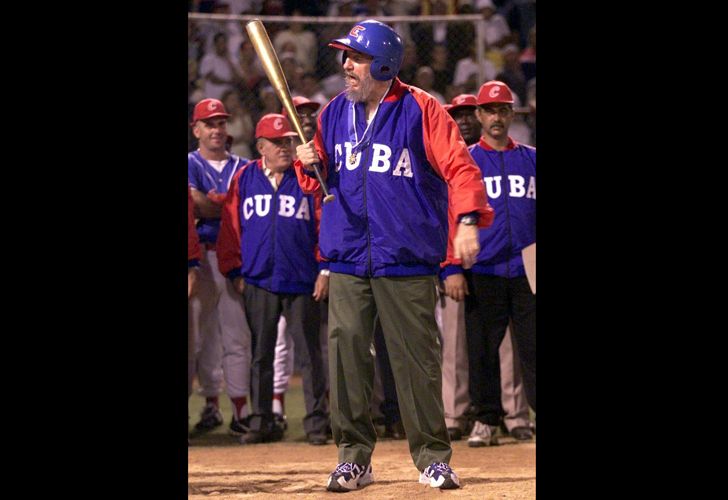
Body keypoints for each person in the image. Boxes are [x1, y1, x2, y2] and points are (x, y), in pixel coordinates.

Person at [294, 19, 493, 491]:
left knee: (417, 362)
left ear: (382, 62)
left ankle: (432, 458)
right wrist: (310, 164)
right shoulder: (332, 114)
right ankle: (354, 459)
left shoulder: (422, 109)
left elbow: (461, 169)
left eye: (356, 57)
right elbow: (321, 183)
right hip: (347, 257)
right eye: (345, 56)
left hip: (403, 257)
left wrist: (466, 222)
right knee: (346, 361)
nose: (345, 65)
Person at [217, 113, 330, 446]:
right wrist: (234, 270)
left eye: (288, 142)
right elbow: (230, 226)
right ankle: (262, 420)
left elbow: (325, 223)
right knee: (261, 354)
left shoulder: (307, 177)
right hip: (259, 279)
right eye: (277, 142)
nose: (285, 148)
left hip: (302, 279)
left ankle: (316, 423)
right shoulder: (245, 177)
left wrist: (324, 269)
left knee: (310, 355)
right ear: (260, 146)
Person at [441, 80, 536, 448]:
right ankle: (485, 419)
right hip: (483, 266)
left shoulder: (530, 158)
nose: (496, 117)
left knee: (531, 348)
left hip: (528, 265)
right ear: (479, 115)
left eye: (503, 109)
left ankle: (522, 416)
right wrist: (450, 267)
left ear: (511, 113)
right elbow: (449, 217)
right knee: (481, 349)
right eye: (489, 110)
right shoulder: (467, 162)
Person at [188, 97, 253, 437]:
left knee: (236, 335)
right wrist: (227, 203)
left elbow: (238, 209)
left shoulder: (243, 166)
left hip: (232, 258)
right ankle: (210, 405)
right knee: (200, 338)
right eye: (209, 123)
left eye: (220, 123)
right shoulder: (190, 162)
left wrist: (209, 202)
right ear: (196, 129)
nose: (216, 129)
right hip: (197, 259)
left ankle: (240, 411)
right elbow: (194, 204)